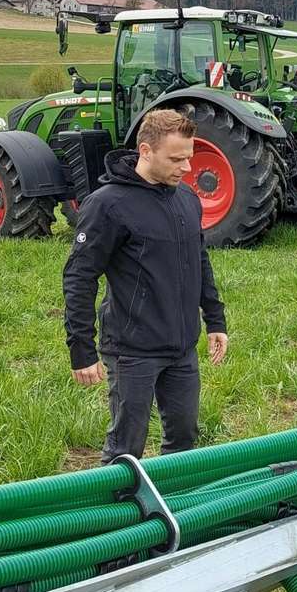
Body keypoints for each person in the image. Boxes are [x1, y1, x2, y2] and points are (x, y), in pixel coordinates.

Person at [64, 109, 229, 464]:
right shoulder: (108, 205)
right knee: (126, 448)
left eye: (188, 158)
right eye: (176, 159)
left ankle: (175, 510)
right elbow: (80, 276)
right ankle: (118, 515)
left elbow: (199, 260)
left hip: (182, 347)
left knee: (184, 438)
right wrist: (81, 347)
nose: (186, 168)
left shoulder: (186, 199)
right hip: (132, 349)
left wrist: (214, 320)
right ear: (145, 151)